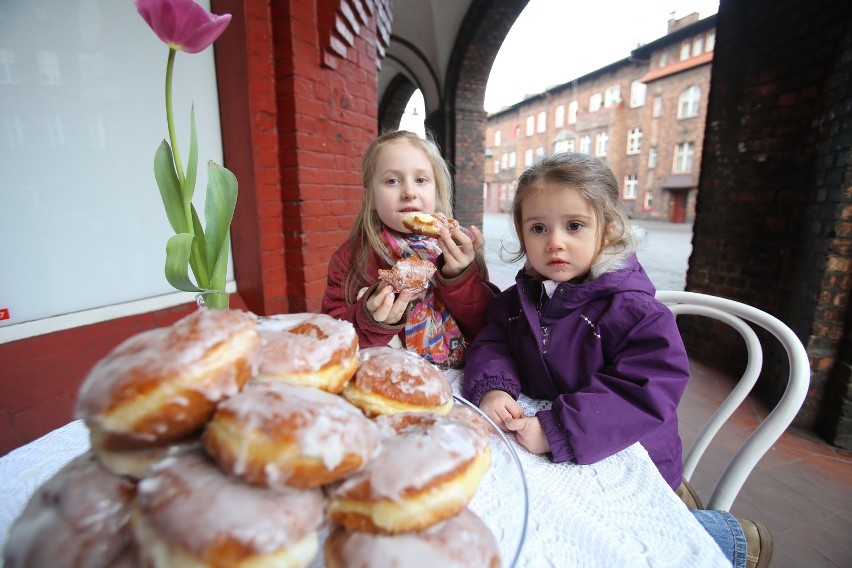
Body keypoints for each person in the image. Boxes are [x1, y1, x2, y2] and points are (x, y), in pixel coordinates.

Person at [462, 152, 772, 568]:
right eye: (539, 228)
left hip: (628, 454)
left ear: (607, 230)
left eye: (574, 226)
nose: (555, 241)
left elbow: (645, 387)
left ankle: (731, 537)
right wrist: (495, 385)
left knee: (605, 543)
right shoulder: (525, 297)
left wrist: (558, 429)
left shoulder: (632, 310)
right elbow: (494, 339)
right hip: (556, 450)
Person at [321, 130, 498, 368]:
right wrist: (369, 319)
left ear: (437, 191)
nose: (409, 192)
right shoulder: (351, 259)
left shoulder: (457, 250)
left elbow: (487, 324)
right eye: (392, 181)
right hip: (387, 373)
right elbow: (333, 337)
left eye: (421, 180)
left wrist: (460, 278)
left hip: (461, 373)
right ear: (371, 197)